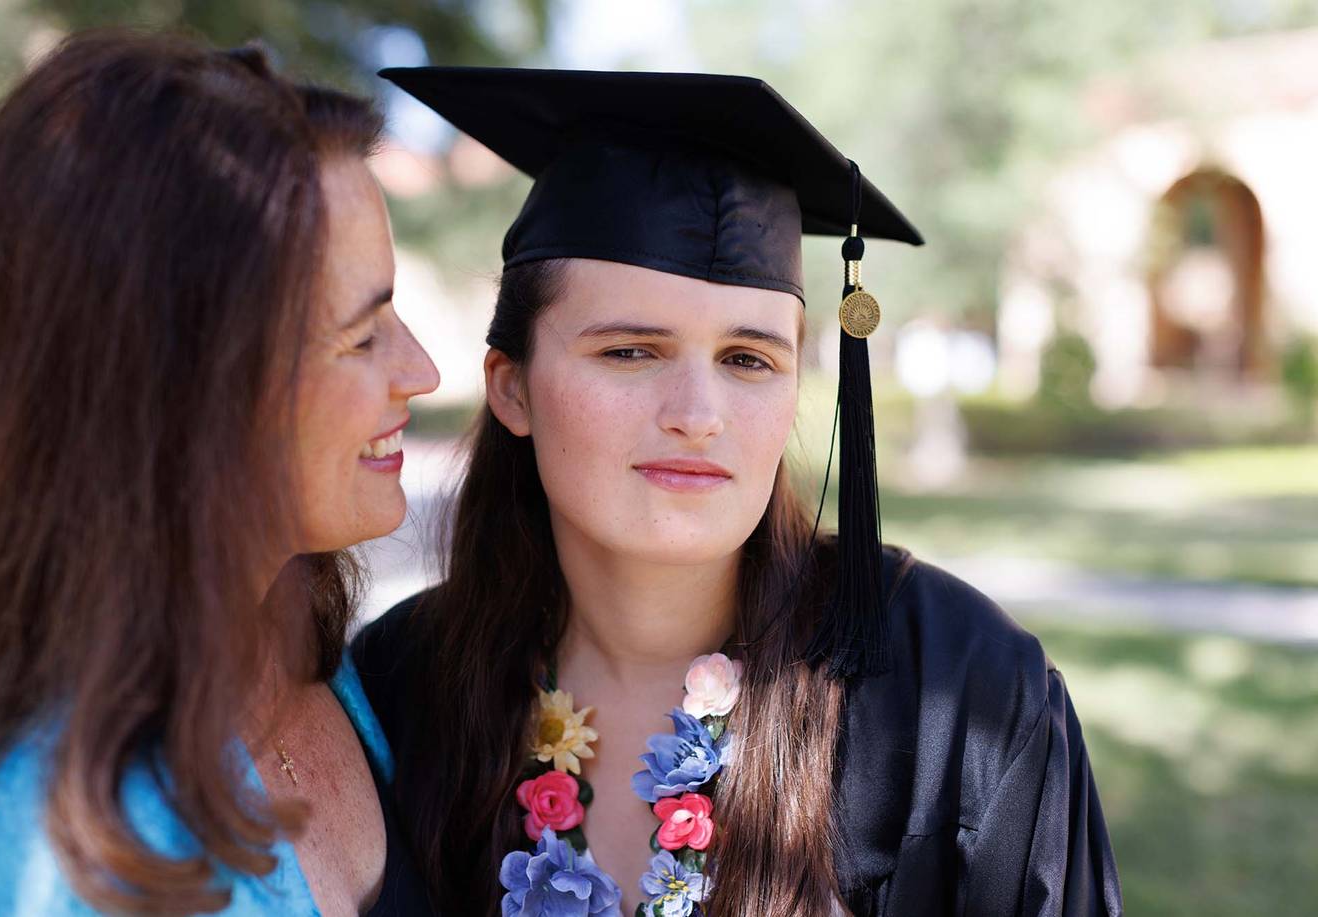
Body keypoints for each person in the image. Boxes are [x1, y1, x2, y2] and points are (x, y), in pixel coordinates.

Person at [352, 68, 1123, 917]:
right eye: (631, 351)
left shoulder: (954, 695)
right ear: (512, 388)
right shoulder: (401, 689)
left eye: (748, 359)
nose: (697, 415)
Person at [0, 31, 438, 916]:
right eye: (363, 336)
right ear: (182, 387)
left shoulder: (303, 650)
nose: (423, 373)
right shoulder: (52, 845)